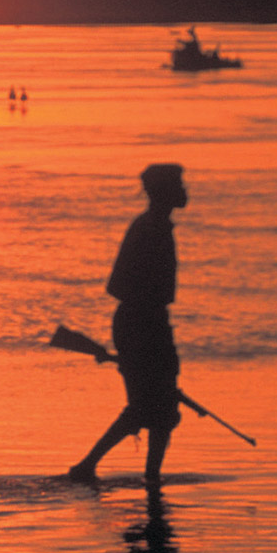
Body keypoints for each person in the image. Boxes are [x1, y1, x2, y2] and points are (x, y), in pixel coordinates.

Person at [68, 163, 187, 487]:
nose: (185, 190)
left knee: (161, 410)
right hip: (142, 324)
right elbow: (118, 286)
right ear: (165, 192)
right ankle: (90, 467)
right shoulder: (149, 228)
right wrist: (146, 325)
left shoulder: (155, 227)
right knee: (151, 407)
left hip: (147, 322)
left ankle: (149, 477)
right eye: (179, 184)